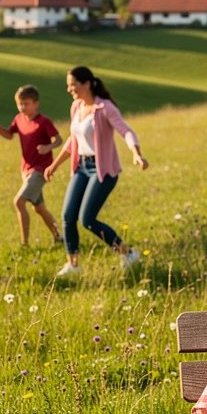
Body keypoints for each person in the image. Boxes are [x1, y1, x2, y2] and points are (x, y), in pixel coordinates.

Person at [43, 66, 148, 277]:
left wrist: (136, 153)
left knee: (88, 219)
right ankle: (73, 266)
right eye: (68, 85)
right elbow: (74, 140)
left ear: (87, 84)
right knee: (67, 216)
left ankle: (128, 254)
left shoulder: (105, 108)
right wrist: (54, 165)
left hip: (103, 170)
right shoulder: (76, 107)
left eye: (73, 85)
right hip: (81, 167)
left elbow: (126, 131)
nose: (69, 89)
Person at [0, 84, 62, 246]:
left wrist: (48, 147)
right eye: (20, 104)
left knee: (19, 202)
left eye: (26, 104)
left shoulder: (44, 122)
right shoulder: (19, 119)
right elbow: (8, 135)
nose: (22, 107)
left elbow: (59, 140)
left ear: (36, 104)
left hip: (41, 169)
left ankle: (24, 243)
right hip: (25, 169)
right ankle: (59, 237)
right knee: (39, 208)